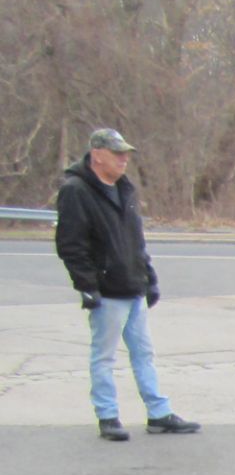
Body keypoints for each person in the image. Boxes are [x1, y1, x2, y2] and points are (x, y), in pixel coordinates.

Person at [54, 127, 197, 442]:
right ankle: (108, 415)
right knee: (104, 355)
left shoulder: (125, 188)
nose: (123, 160)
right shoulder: (77, 190)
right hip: (107, 291)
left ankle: (159, 413)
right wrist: (87, 285)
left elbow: (135, 240)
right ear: (98, 155)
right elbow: (71, 244)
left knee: (143, 353)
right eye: (117, 154)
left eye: (125, 154)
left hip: (133, 286)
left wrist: (149, 277)